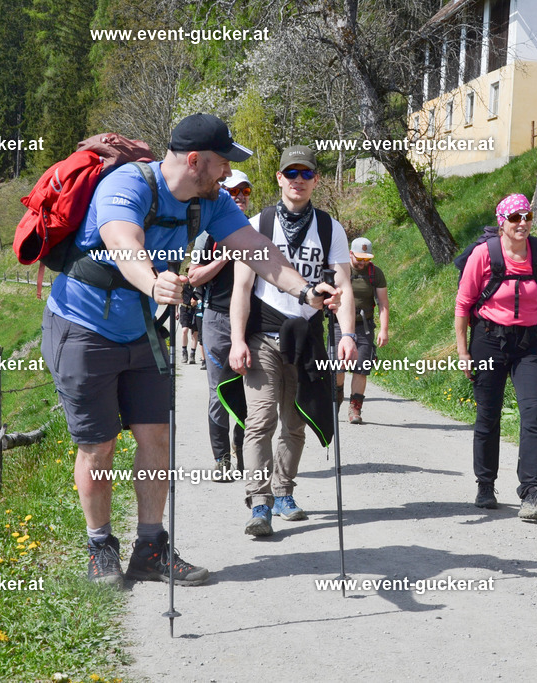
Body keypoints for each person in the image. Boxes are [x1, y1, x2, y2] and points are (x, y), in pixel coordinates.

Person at [41, 115, 342, 585]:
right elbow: (123, 243)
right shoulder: (126, 185)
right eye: (224, 163)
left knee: (157, 439)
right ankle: (100, 546)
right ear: (196, 160)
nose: (228, 173)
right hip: (83, 327)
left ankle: (151, 548)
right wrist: (152, 281)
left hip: (141, 333)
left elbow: (257, 249)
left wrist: (305, 292)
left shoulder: (212, 202)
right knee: (98, 445)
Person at [229, 144, 357, 536]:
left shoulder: (329, 227)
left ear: (316, 180)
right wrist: (237, 340)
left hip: (306, 340)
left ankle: (284, 491)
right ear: (279, 178)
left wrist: (348, 333)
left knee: (295, 421)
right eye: (291, 173)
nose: (298, 180)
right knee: (261, 419)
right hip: (264, 336)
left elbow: (344, 286)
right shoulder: (257, 224)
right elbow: (241, 288)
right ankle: (260, 502)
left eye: (306, 174)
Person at [454, 193, 537, 518]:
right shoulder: (485, 255)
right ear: (502, 223)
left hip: (530, 342)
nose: (523, 223)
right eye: (515, 218)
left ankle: (531, 492)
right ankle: (485, 485)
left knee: (533, 413)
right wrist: (462, 351)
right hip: (488, 340)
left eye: (526, 216)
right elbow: (463, 304)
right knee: (488, 414)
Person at [187, 170, 252, 479]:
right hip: (216, 318)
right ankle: (221, 458)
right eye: (234, 190)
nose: (240, 195)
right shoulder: (209, 233)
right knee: (218, 390)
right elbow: (193, 276)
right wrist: (223, 259)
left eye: (246, 191)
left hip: (252, 320)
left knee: (247, 390)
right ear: (223, 193)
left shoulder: (255, 231)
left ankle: (241, 453)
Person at [332, 237, 389, 424]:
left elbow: (383, 303)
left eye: (367, 259)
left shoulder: (375, 273)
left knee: (361, 367)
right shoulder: (340, 271)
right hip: (339, 324)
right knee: (338, 365)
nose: (363, 262)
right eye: (359, 259)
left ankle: (355, 408)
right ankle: (337, 393)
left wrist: (384, 330)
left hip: (364, 326)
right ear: (350, 254)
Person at [179, 285, 198, 364]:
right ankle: (184, 352)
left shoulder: (198, 284)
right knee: (184, 330)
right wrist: (176, 311)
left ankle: (192, 355)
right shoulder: (184, 285)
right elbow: (178, 297)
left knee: (194, 333)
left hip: (195, 309)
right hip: (184, 308)